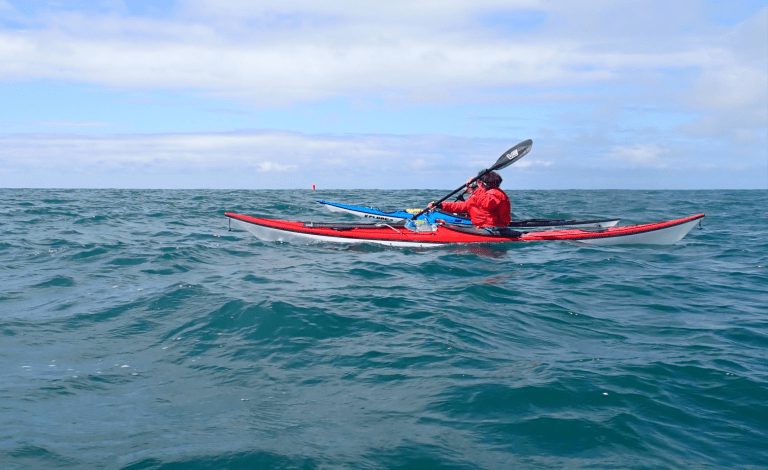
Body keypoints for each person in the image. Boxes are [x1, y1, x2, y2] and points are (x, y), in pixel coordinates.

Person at [429, 171, 511, 228]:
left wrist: (476, 190)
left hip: (492, 228)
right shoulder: (481, 194)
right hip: (482, 227)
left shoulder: (495, 193)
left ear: (482, 183)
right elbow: (463, 206)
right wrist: (440, 205)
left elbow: (487, 204)